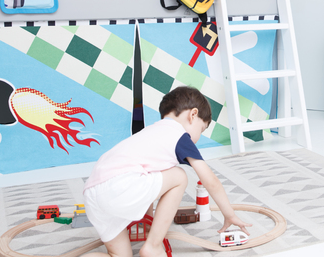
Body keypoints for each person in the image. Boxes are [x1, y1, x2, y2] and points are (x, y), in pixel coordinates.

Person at [82, 86, 251, 257]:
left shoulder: (149, 132)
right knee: (179, 176)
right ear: (193, 115)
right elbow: (210, 180)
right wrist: (229, 214)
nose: (197, 138)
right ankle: (153, 245)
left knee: (119, 255)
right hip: (120, 185)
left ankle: (147, 229)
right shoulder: (179, 135)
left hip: (92, 195)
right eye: (201, 129)